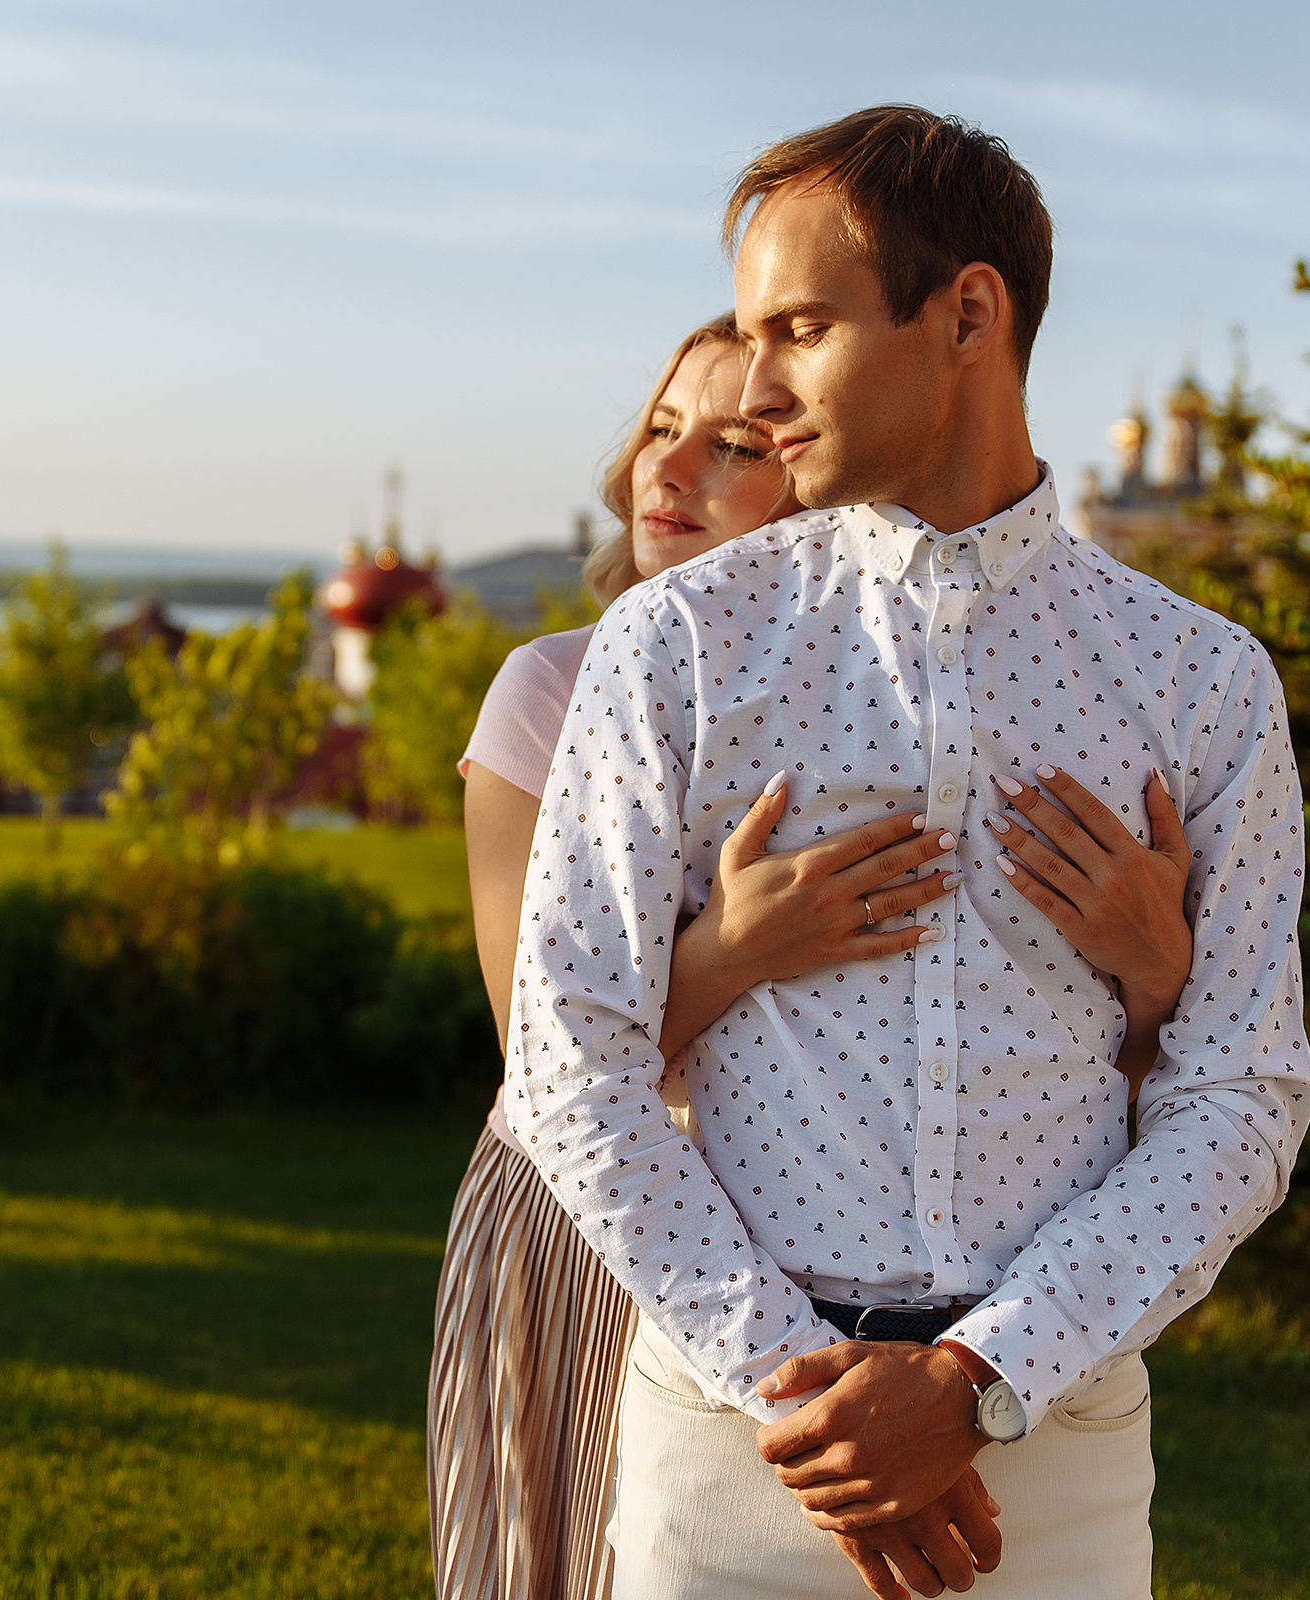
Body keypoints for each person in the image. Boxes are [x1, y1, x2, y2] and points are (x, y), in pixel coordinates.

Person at [506, 106, 1310, 1600]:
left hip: (1054, 1470)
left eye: (801, 331)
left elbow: (1242, 1095)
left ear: (968, 316)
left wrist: (975, 1383)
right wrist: (802, 1395)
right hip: (734, 1464)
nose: (756, 390)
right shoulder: (676, 646)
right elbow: (569, 1064)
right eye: (751, 333)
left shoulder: (1200, 681)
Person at [430, 312, 1203, 1600]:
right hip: (603, 1223)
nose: (668, 471)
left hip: (882, 1275)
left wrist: (1158, 968)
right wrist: (738, 948)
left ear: (814, 468)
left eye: (733, 444)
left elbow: (1074, 1062)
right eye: (660, 431)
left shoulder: (952, 694)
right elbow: (544, 1052)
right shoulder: (556, 690)